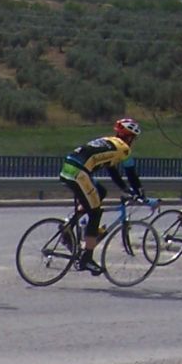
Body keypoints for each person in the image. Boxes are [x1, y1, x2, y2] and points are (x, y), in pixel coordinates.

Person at [58, 118, 144, 275]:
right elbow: (131, 174)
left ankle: (69, 225)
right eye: (134, 138)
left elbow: (112, 172)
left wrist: (125, 189)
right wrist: (139, 192)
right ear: (130, 137)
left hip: (68, 168)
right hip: (79, 173)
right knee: (95, 213)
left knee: (101, 192)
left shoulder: (108, 141)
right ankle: (87, 259)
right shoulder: (124, 149)